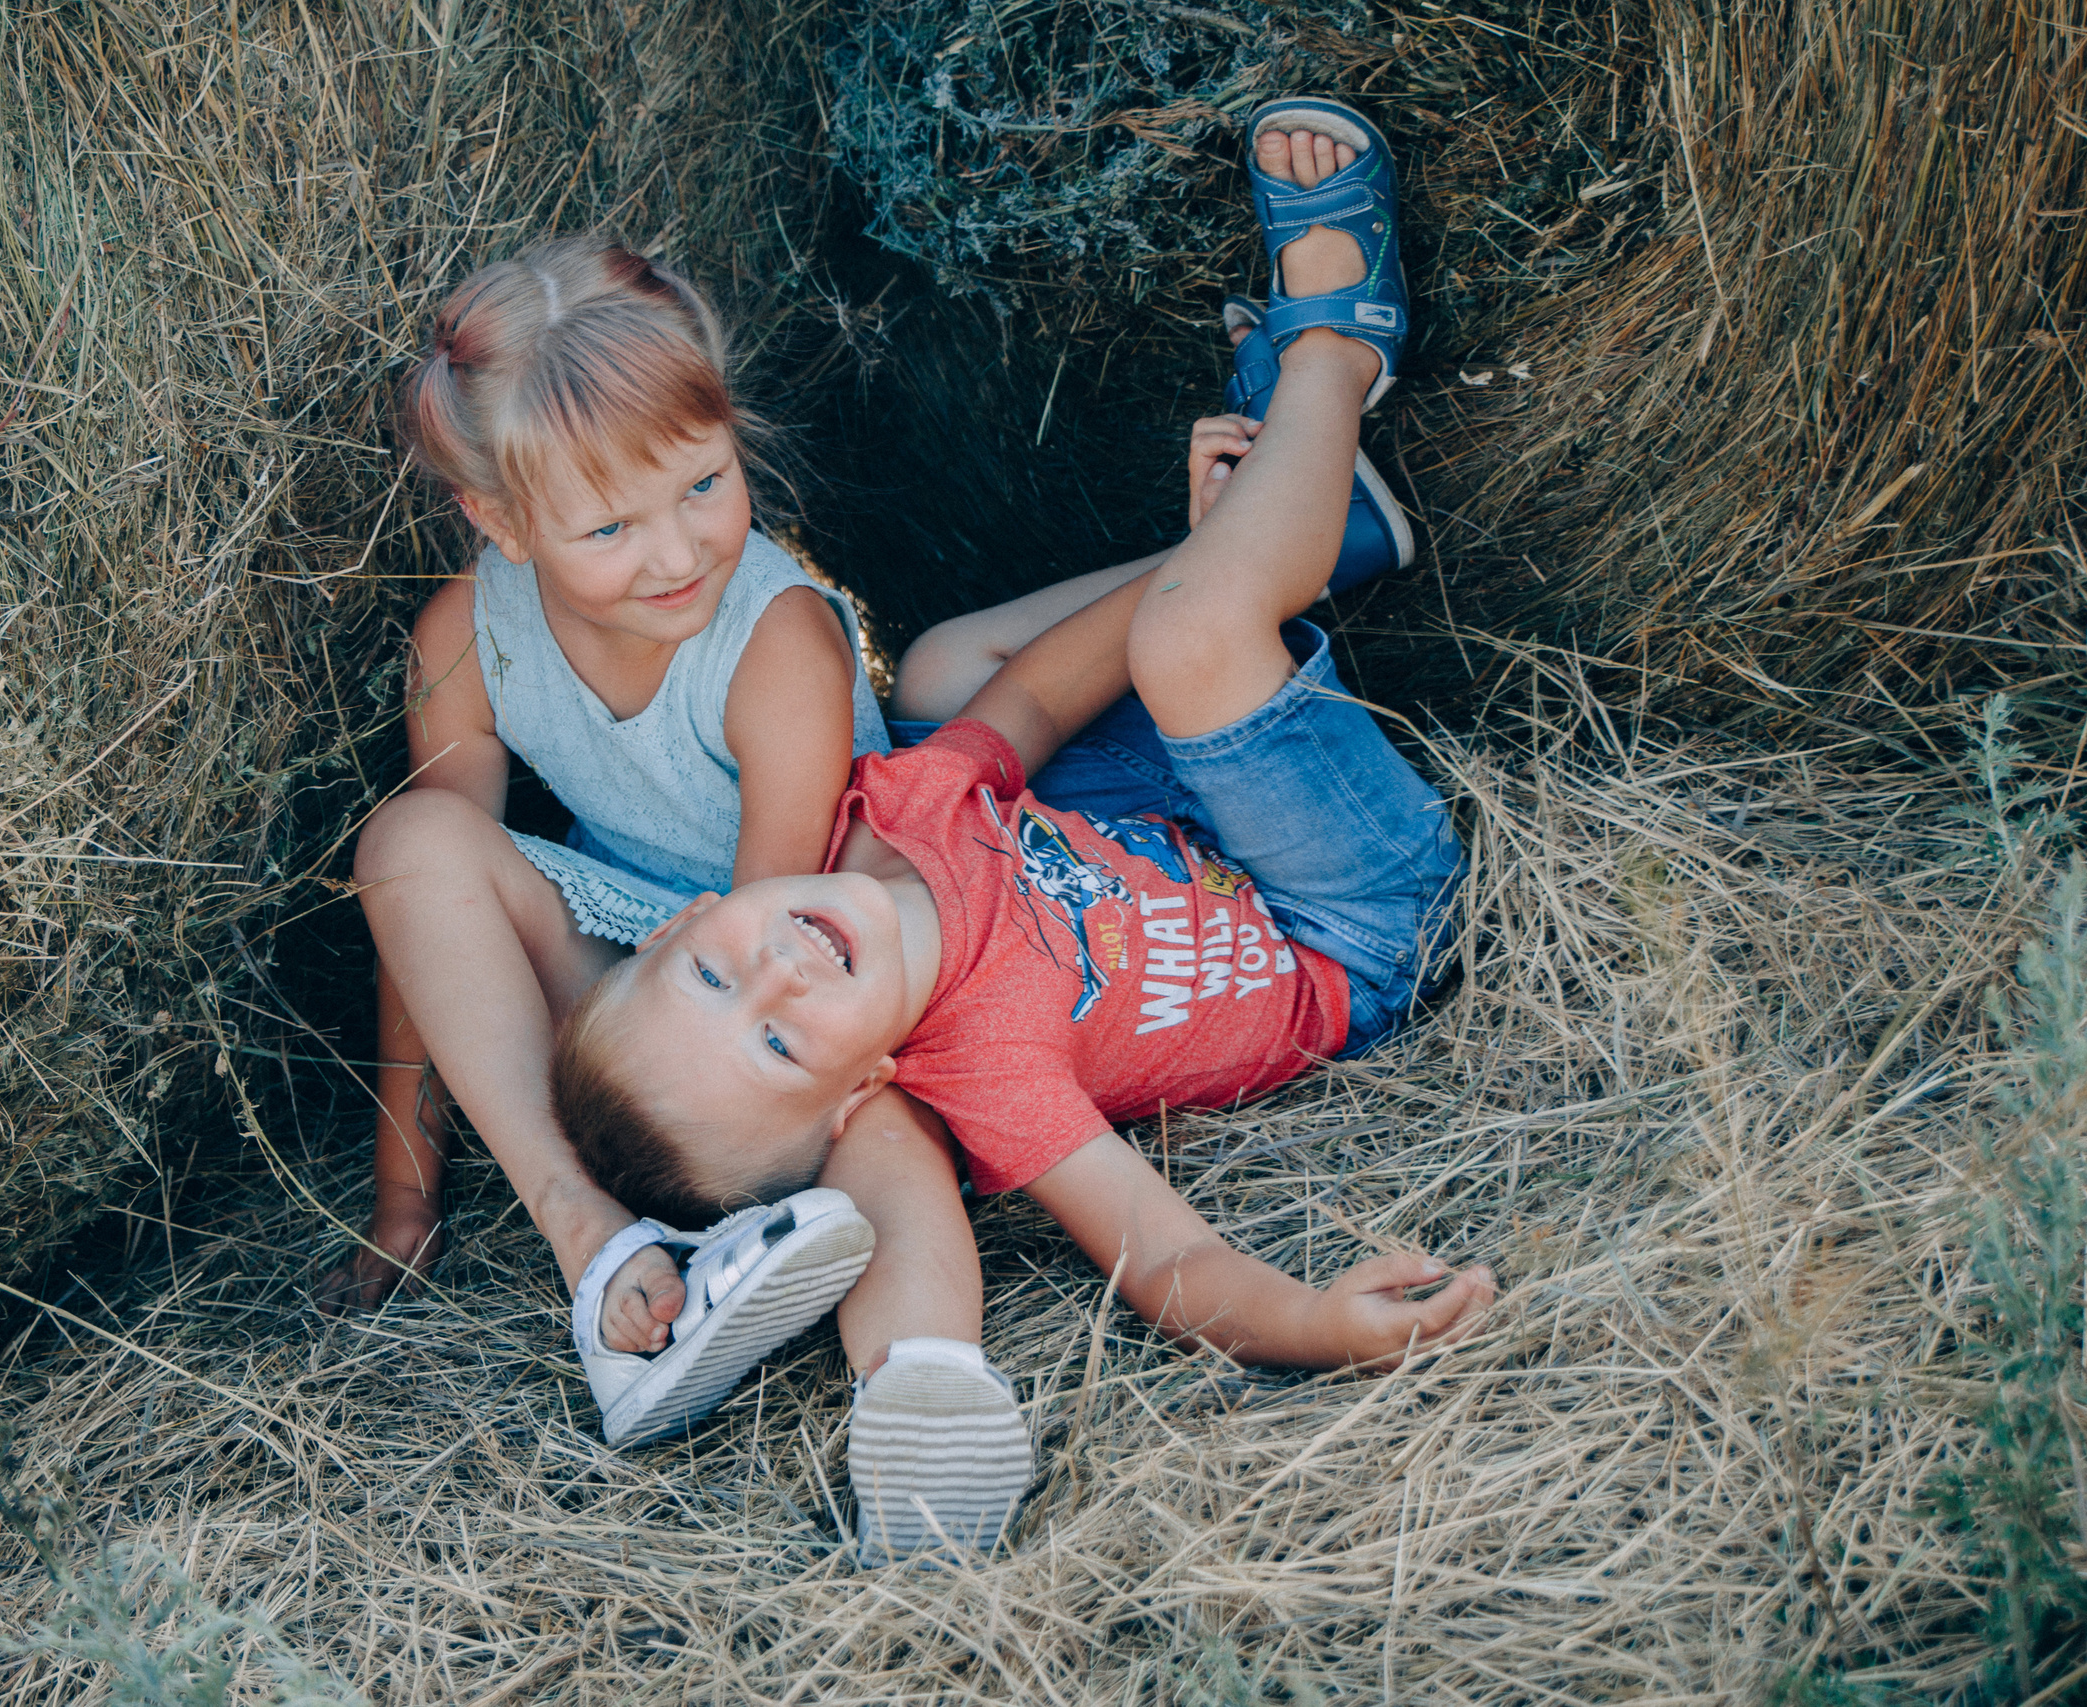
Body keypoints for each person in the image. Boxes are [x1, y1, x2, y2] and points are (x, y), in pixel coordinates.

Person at [548, 99, 1498, 1563]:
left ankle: (1291, 539)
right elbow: (1167, 1254)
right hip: (1343, 914)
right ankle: (1334, 353)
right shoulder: (985, 1067)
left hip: (1170, 811)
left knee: (936, 673)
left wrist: (1210, 573)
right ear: (864, 1092)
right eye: (785, 1043)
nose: (783, 974)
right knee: (1188, 645)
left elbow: (1050, 691)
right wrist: (1315, 1321)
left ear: (684, 918)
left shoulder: (891, 816)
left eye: (714, 975)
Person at [321, 233, 922, 1448]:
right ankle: (590, 1235)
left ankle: (749, 1256)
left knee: (888, 1127)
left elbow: (776, 945)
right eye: (608, 530)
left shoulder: (776, 645)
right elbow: (419, 930)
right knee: (407, 845)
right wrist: (403, 1198)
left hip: (794, 973)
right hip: (643, 964)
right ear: (498, 519)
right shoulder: (463, 639)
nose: (678, 551)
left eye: (702, 483)